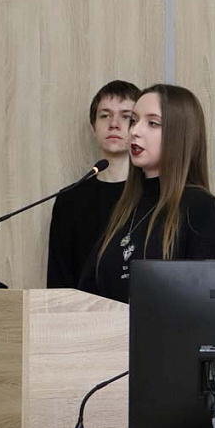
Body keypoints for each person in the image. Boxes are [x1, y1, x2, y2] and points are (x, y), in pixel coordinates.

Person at [78, 84, 215, 303]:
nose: (134, 131)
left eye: (152, 123)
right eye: (133, 121)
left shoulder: (202, 209)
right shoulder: (125, 207)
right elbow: (89, 289)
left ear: (180, 135)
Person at [47, 80, 140, 288]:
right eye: (105, 115)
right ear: (93, 128)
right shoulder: (69, 200)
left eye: (126, 116)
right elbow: (58, 284)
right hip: (83, 308)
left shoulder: (156, 193)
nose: (114, 124)